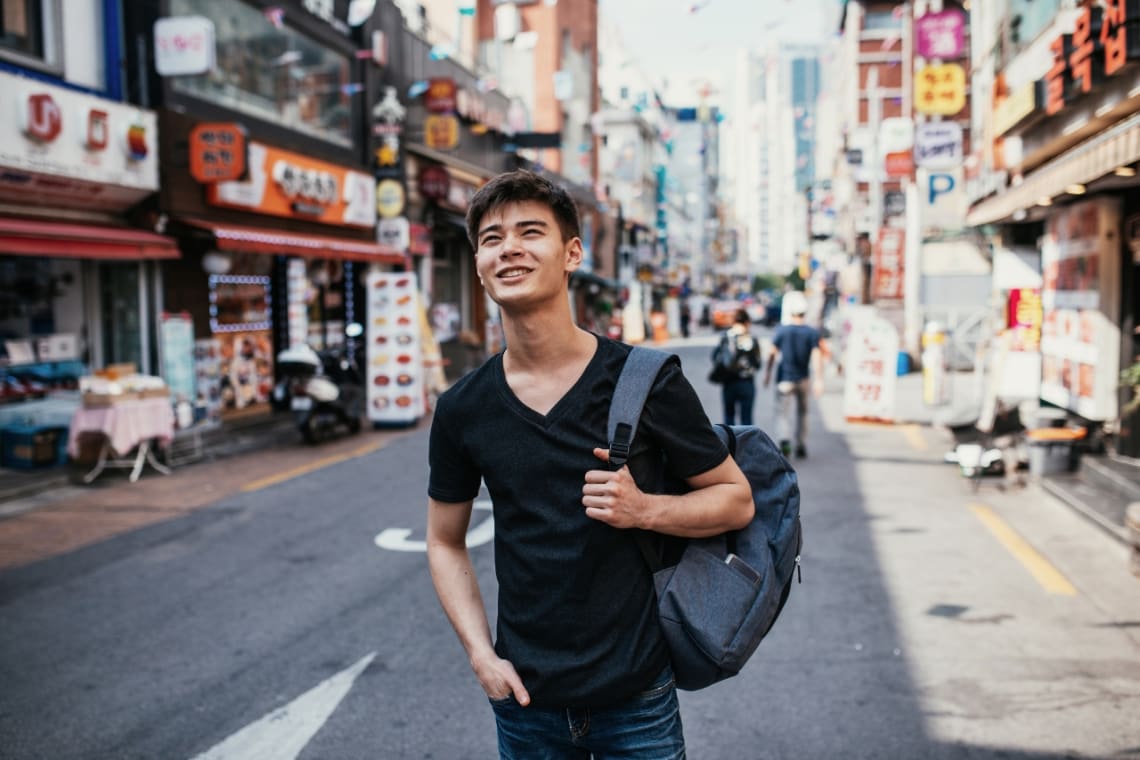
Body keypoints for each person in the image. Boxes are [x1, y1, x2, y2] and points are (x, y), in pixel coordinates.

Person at [425, 170, 754, 759]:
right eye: (493, 239)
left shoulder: (645, 380)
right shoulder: (462, 408)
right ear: (478, 262)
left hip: (637, 697)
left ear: (572, 252)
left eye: (532, 232)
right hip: (526, 702)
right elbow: (445, 542)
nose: (511, 249)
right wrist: (481, 656)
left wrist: (645, 509)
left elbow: (735, 498)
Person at [763, 291, 824, 458]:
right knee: (802, 412)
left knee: (782, 413)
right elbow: (817, 356)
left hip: (784, 379)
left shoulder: (782, 331)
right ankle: (801, 443)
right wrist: (819, 380)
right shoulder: (811, 332)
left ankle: (784, 440)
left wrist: (767, 373)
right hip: (803, 378)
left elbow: (772, 353)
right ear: (804, 312)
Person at [713, 308, 762, 426]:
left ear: (734, 321)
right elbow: (758, 363)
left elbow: (715, 357)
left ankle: (730, 444)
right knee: (747, 421)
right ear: (747, 322)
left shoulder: (725, 337)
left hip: (728, 382)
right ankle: (746, 444)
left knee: (729, 418)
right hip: (746, 383)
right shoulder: (752, 338)